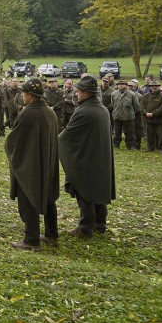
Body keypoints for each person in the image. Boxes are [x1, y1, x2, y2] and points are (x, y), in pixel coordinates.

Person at [4, 78, 60, 251]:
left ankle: (31, 240)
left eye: (23, 93)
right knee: (48, 197)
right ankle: (52, 235)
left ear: (30, 95)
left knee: (28, 198)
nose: (22, 96)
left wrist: (9, 147)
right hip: (48, 162)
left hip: (31, 164)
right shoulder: (50, 112)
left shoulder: (27, 113)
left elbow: (13, 139)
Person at [58, 75, 115, 238]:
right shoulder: (102, 109)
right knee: (99, 190)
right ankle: (100, 224)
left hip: (87, 159)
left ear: (88, 93)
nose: (76, 94)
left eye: (79, 91)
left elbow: (67, 136)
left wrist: (51, 143)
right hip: (100, 158)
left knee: (85, 191)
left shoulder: (85, 111)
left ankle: (85, 228)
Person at [140, 81, 162, 152]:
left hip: (159, 120)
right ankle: (150, 147)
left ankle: (161, 148)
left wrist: (153, 114)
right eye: (152, 86)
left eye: (156, 86)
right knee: (149, 134)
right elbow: (141, 107)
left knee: (161, 135)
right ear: (150, 87)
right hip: (148, 119)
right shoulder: (145, 96)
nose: (154, 87)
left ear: (159, 86)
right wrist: (145, 113)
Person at [110, 79, 140, 149]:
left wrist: (131, 113)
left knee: (130, 132)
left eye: (122, 84)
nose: (120, 85)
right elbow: (113, 104)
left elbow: (136, 106)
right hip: (117, 115)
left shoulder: (132, 94)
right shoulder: (114, 94)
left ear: (126, 86)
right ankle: (116, 145)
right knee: (117, 132)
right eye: (119, 84)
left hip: (128, 116)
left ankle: (131, 145)